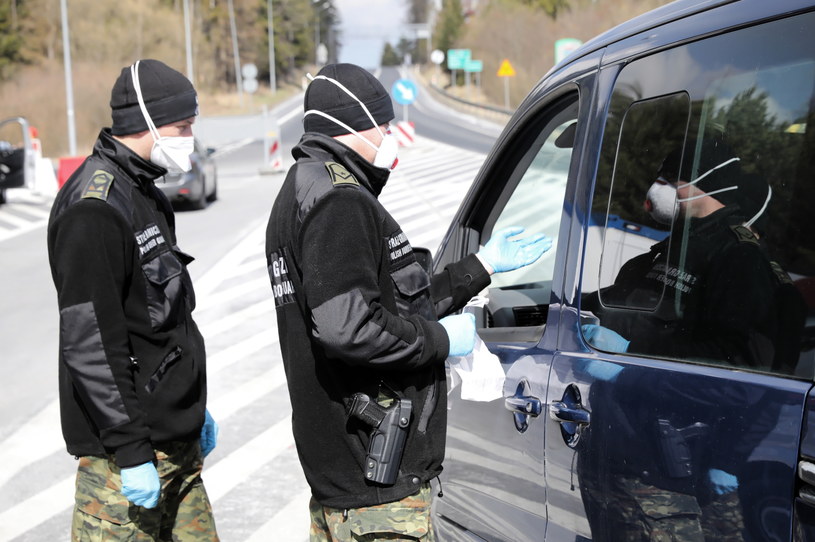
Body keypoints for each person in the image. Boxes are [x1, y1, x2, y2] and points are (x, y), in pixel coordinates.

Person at [265, 62, 552, 541]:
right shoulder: (341, 202)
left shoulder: (301, 189)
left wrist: (480, 267)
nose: (390, 135)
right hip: (376, 482)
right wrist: (442, 340)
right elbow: (349, 328)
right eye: (383, 125)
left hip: (343, 477)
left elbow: (391, 303)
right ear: (350, 127)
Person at [578, 137, 801, 541]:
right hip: (614, 458)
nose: (656, 189)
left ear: (703, 181)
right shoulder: (668, 252)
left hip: (663, 477)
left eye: (668, 179)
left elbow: (743, 376)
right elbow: (623, 307)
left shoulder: (738, 262)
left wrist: (631, 361)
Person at [47, 59, 219, 541]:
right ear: (147, 123)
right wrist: (132, 452)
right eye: (183, 127)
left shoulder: (143, 191)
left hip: (176, 445)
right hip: (124, 463)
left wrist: (190, 407)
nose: (190, 137)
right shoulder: (95, 210)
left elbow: (161, 324)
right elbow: (91, 346)